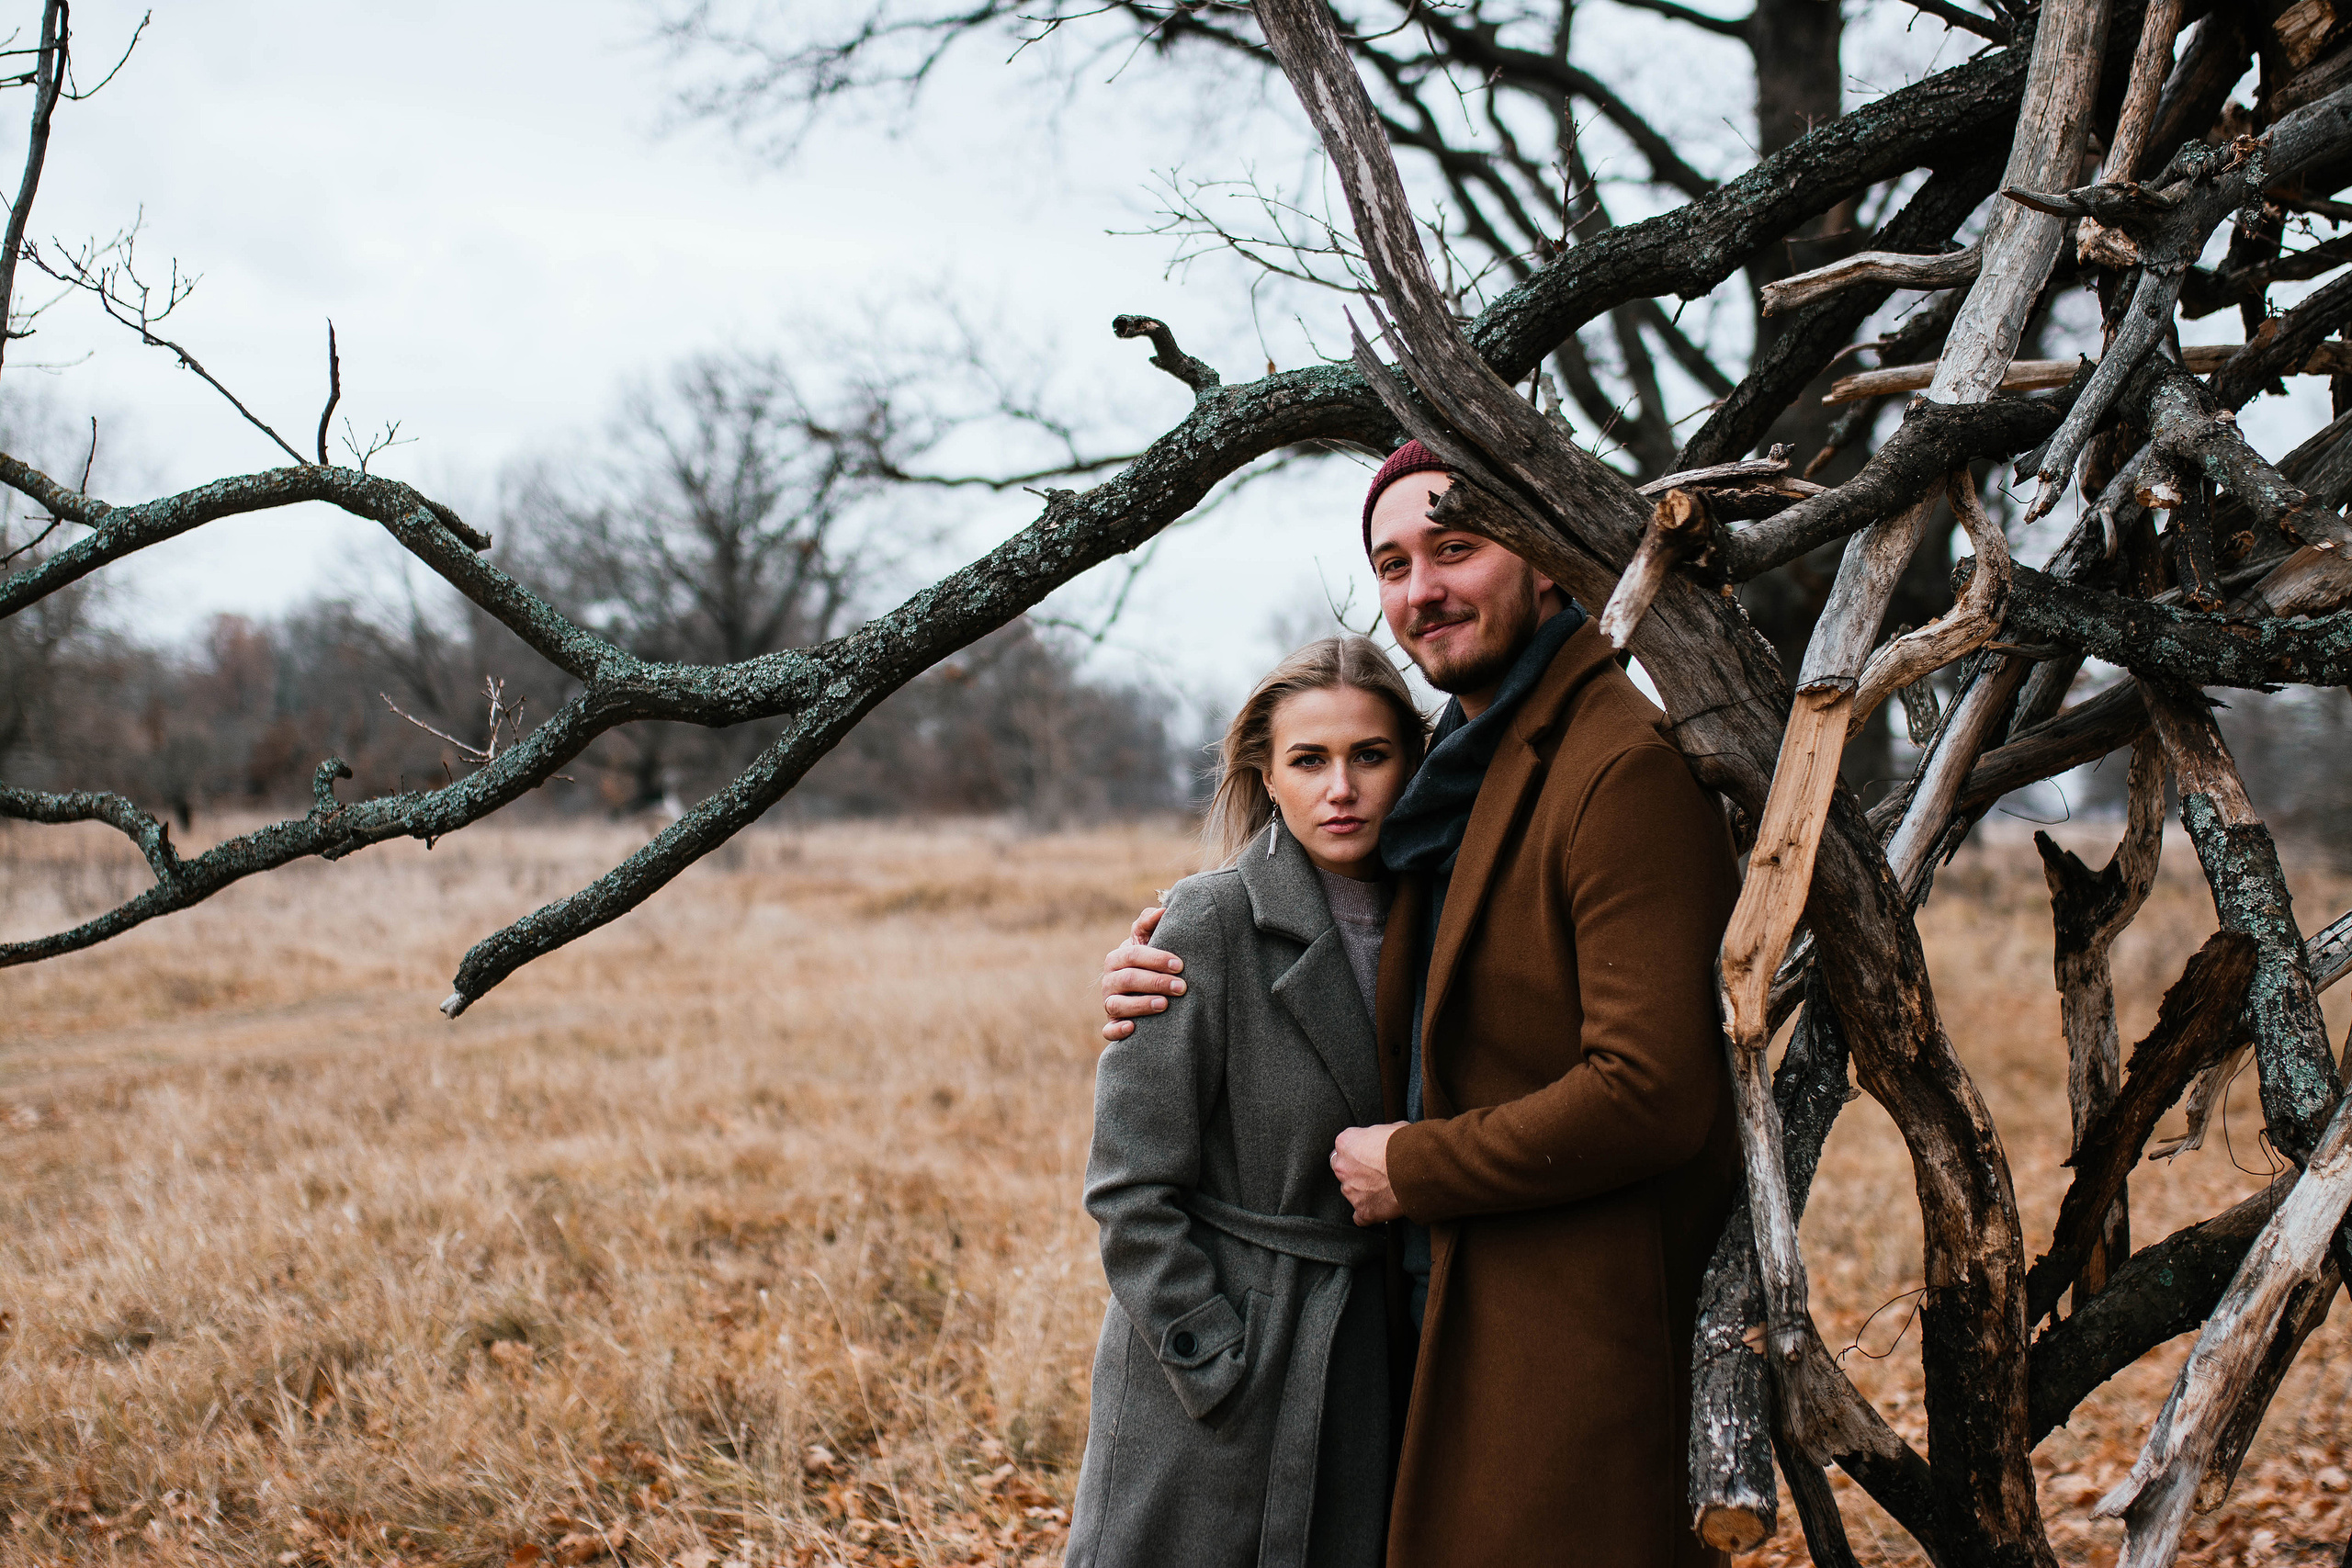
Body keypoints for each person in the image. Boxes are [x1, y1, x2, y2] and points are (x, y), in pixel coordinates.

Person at [1099, 442, 1741, 1567]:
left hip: (1554, 1331)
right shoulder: (1463, 773)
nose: (1420, 589)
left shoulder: (1615, 765)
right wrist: (1169, 947)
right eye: (1391, 564)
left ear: (1546, 559)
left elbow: (1653, 1090)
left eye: (1455, 548)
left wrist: (1415, 1167)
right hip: (1412, 1333)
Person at [1066, 636, 1429, 1568]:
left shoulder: (1450, 917)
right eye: (1309, 760)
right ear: (1266, 775)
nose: (1339, 788)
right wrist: (1209, 1352)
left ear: (1412, 763)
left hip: (1371, 1366)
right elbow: (1128, 1187)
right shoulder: (1207, 920)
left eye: (1370, 756)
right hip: (1215, 1379)